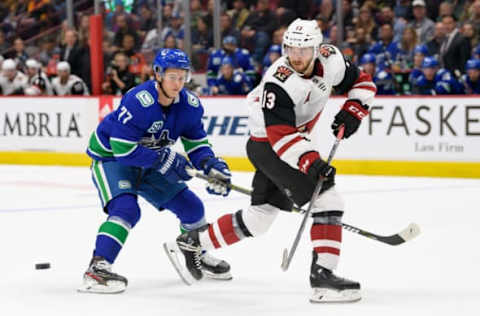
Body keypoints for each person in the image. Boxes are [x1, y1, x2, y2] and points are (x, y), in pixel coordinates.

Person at [164, 19, 376, 303]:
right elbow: (281, 138)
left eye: (303, 50)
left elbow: (362, 81)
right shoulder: (280, 80)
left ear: (317, 48)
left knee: (260, 218)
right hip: (270, 145)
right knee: (328, 201)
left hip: (284, 143)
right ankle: (323, 278)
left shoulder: (331, 58)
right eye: (290, 49)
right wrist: (311, 162)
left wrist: (355, 108)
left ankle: (192, 242)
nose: (296, 56)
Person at [78, 48, 233, 294]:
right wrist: (165, 160)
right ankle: (97, 269)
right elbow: (123, 150)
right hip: (112, 160)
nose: (178, 83)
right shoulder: (139, 100)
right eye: (173, 76)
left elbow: (197, 144)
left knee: (193, 209)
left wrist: (211, 164)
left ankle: (196, 252)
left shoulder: (190, 105)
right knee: (127, 210)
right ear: (158, 74)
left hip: (148, 160)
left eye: (182, 77)